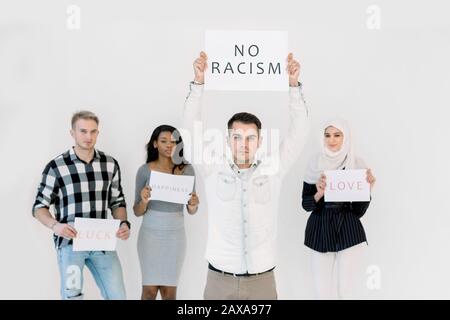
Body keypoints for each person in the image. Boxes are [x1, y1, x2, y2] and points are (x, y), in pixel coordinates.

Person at [183, 51, 309, 299]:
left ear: (260, 140)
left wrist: (294, 87)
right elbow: (190, 129)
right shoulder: (213, 168)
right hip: (220, 279)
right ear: (228, 140)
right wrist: (198, 84)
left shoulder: (273, 169)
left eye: (250, 137)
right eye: (237, 137)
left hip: (262, 281)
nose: (244, 143)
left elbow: (299, 134)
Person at [32, 110, 130, 300]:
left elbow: (117, 201)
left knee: (118, 295)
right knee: (72, 296)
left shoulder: (110, 164)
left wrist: (123, 224)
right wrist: (55, 226)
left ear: (98, 133)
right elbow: (39, 207)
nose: (88, 136)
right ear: (72, 133)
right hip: (71, 244)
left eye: (93, 132)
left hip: (102, 242)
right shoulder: (56, 167)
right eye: (83, 131)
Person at [302, 119, 376, 299]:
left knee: (346, 292)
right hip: (319, 229)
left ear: (346, 138)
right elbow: (305, 204)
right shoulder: (315, 163)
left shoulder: (356, 164)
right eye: (327, 135)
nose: (332, 140)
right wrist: (318, 194)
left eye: (337, 135)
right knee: (322, 292)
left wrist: (367, 189)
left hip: (348, 229)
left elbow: (358, 212)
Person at [134, 125, 199, 300]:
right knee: (149, 291)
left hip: (175, 236)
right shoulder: (144, 170)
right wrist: (144, 200)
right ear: (155, 144)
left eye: (173, 142)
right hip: (150, 235)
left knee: (170, 293)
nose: (169, 145)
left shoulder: (187, 170)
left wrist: (193, 204)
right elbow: (137, 211)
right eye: (164, 141)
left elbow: (191, 210)